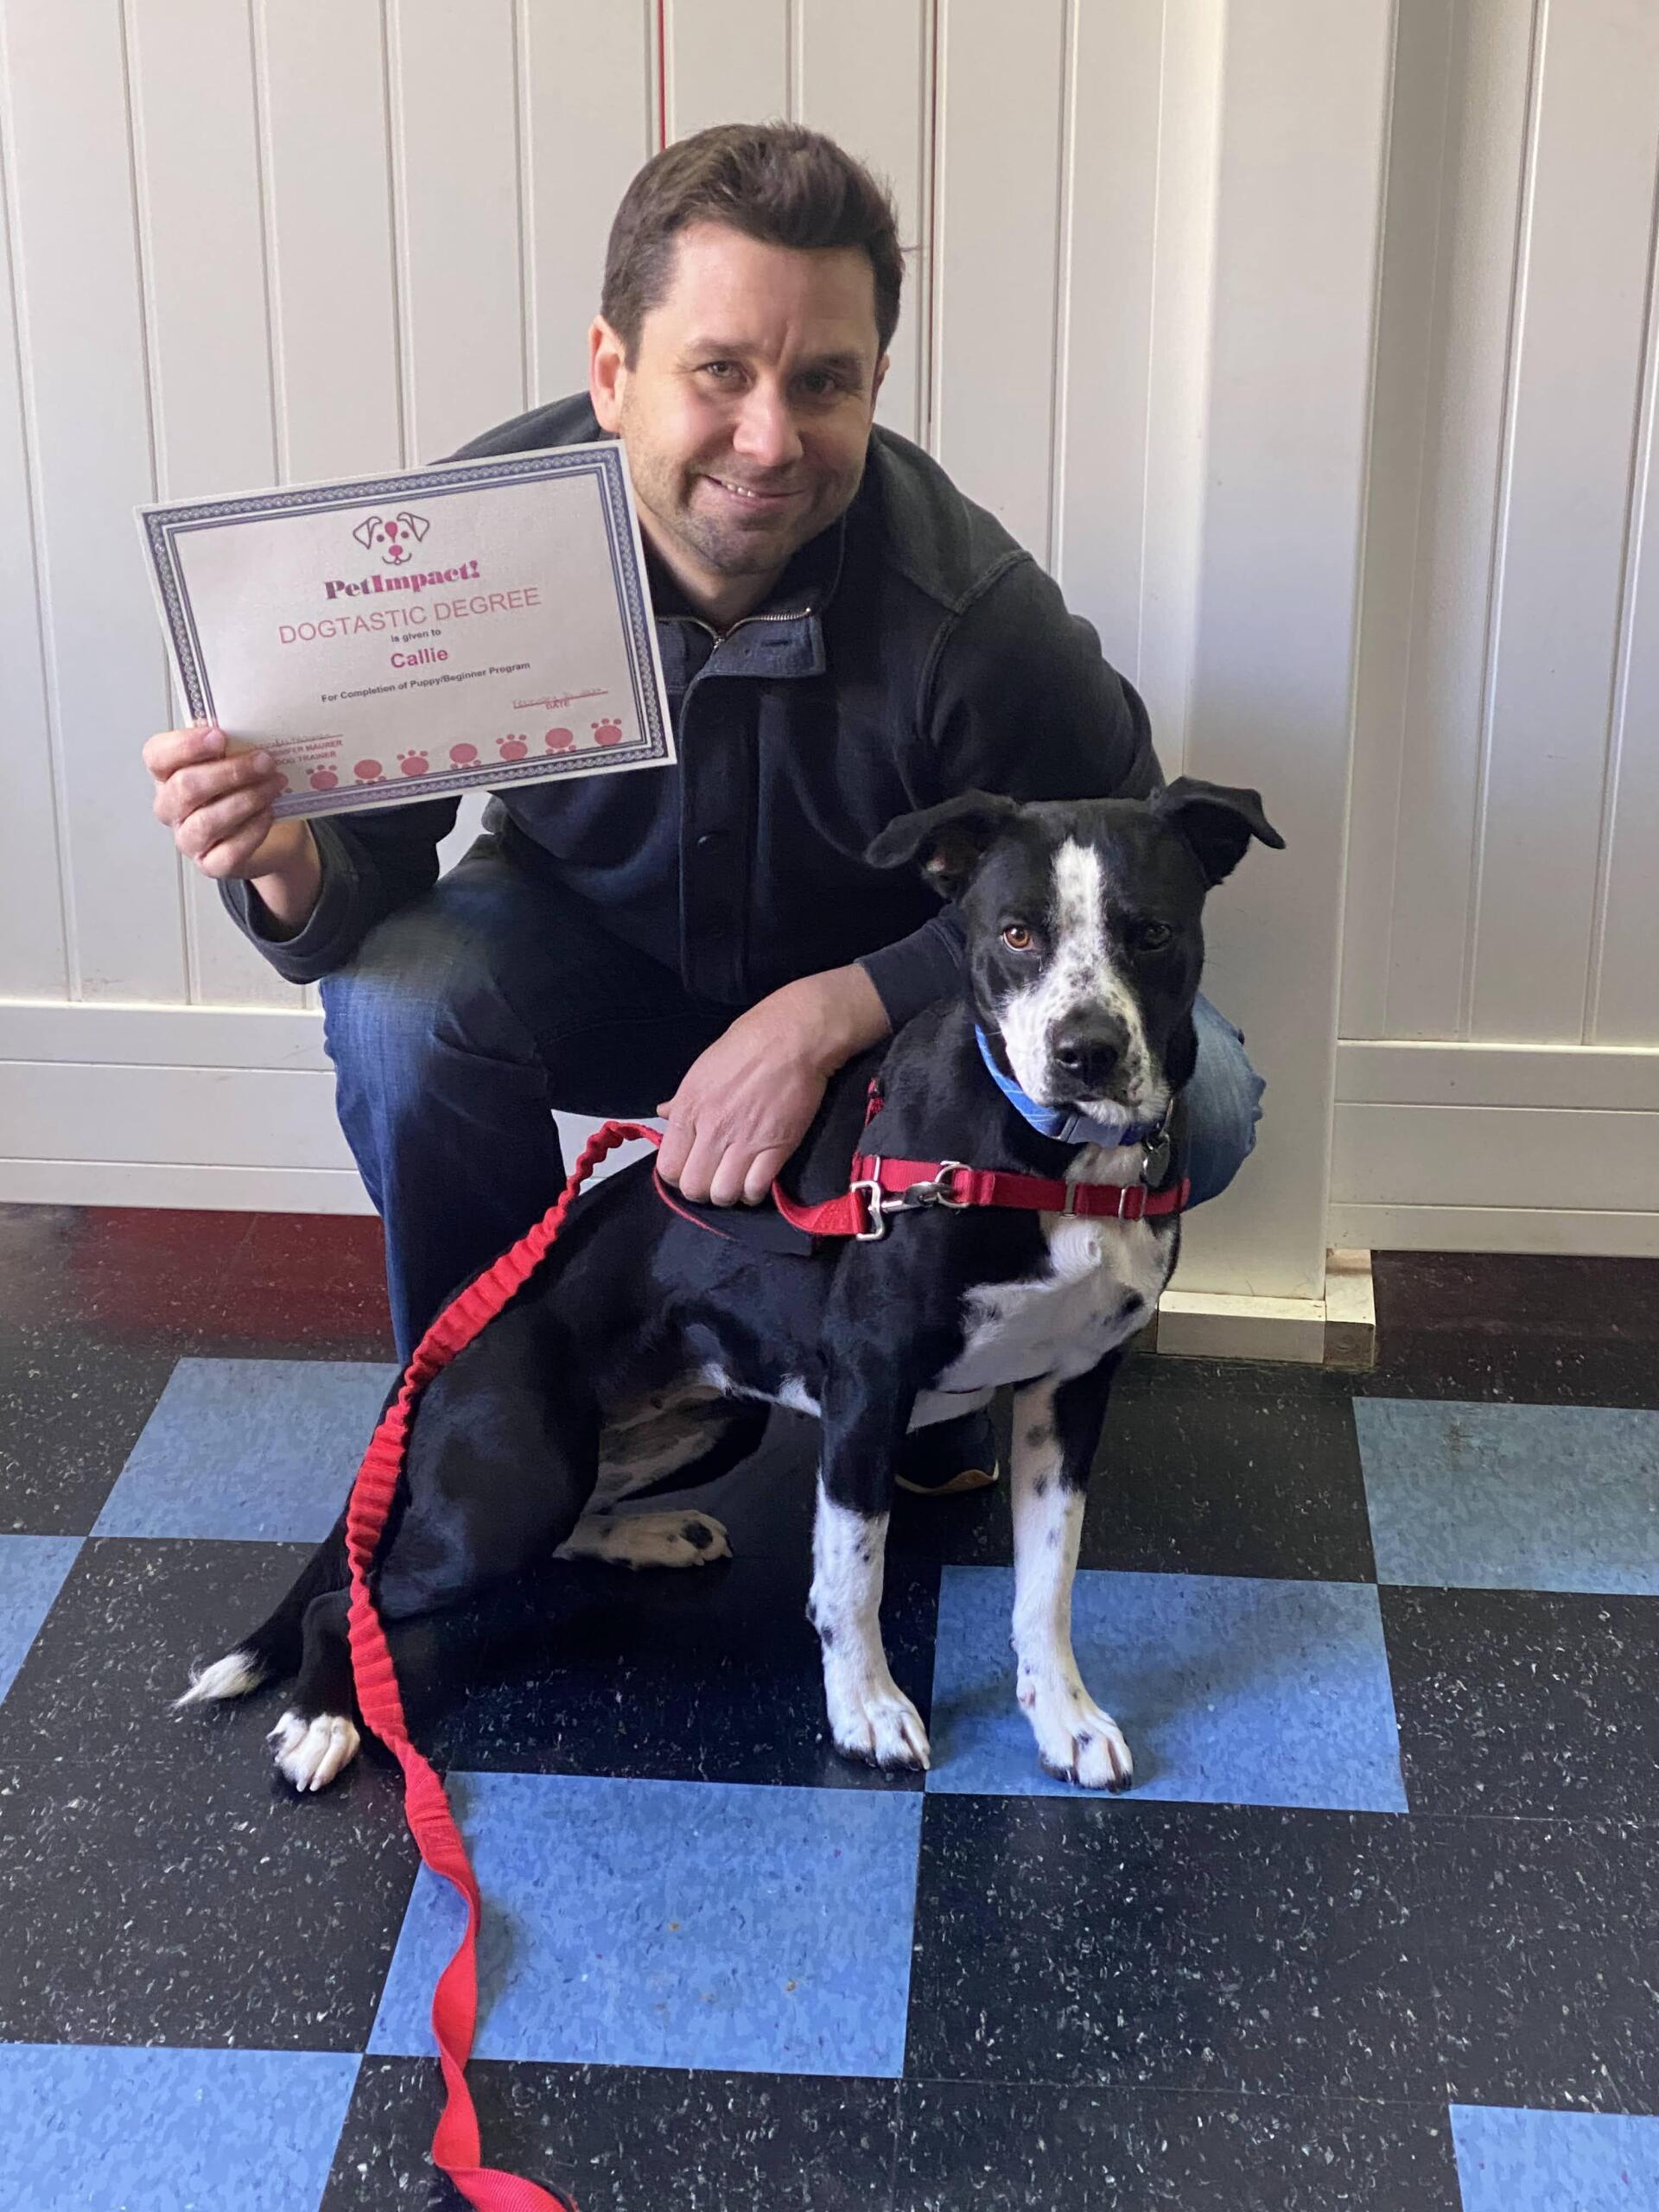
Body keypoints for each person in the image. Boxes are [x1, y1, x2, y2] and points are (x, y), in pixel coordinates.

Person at [143, 123, 1264, 1495]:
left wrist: (834, 1011)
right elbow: (361, 878)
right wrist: (285, 861)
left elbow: (1117, 854)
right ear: (613, 371)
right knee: (397, 1007)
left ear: (877, 385)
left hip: (886, 1022)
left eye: (824, 381)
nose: (771, 436)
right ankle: (491, 1418)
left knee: (1204, 1096)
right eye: (719, 372)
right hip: (583, 951)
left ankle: (935, 1366)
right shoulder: (456, 555)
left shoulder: (975, 614)